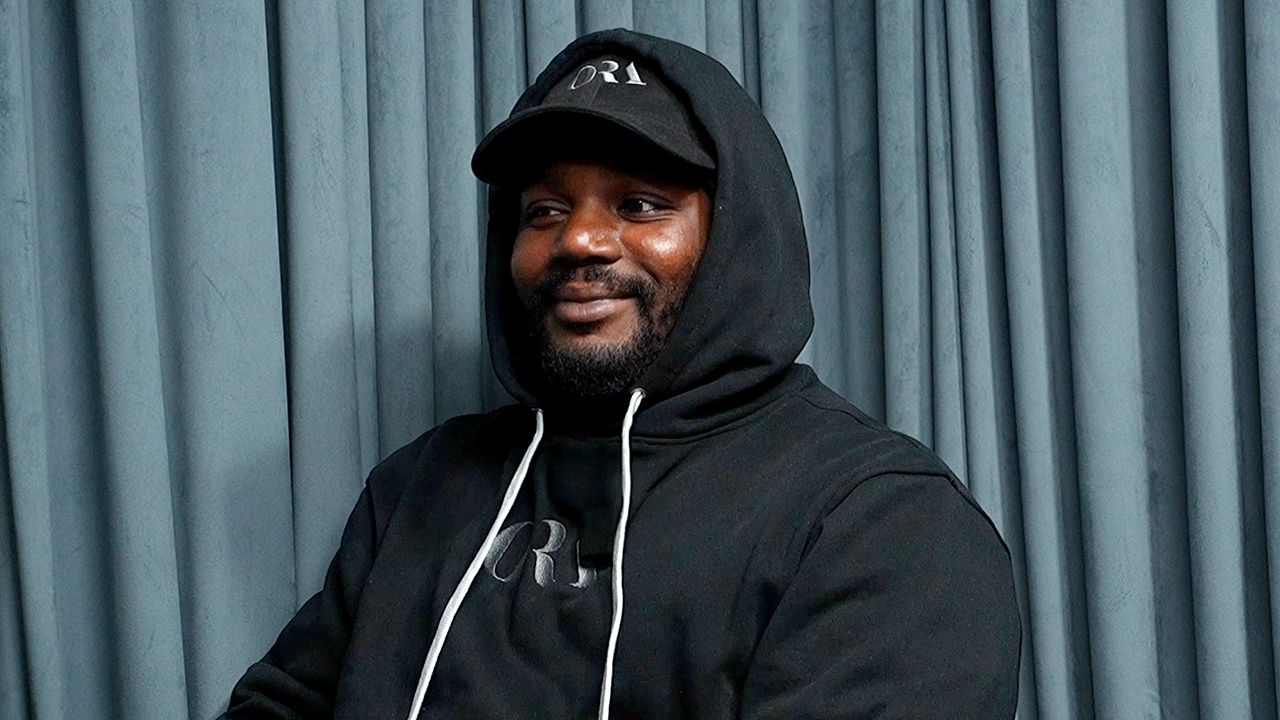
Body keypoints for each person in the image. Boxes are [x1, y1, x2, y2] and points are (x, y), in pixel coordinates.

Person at [222, 28, 1020, 719]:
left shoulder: (882, 523)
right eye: (544, 211)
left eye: (640, 205)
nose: (580, 241)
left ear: (735, 238)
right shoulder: (420, 485)